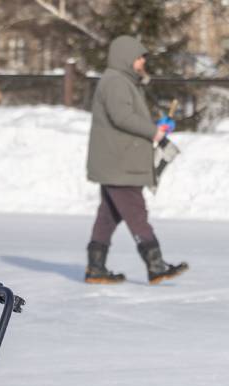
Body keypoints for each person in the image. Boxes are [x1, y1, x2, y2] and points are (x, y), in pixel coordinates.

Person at [85, 35, 188, 285]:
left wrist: (156, 127)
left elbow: (127, 116)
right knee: (135, 212)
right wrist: (154, 132)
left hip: (118, 160)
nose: (143, 61)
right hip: (119, 163)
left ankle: (95, 268)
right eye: (140, 57)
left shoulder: (123, 81)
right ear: (126, 58)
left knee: (108, 215)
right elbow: (122, 117)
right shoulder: (116, 82)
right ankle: (156, 265)